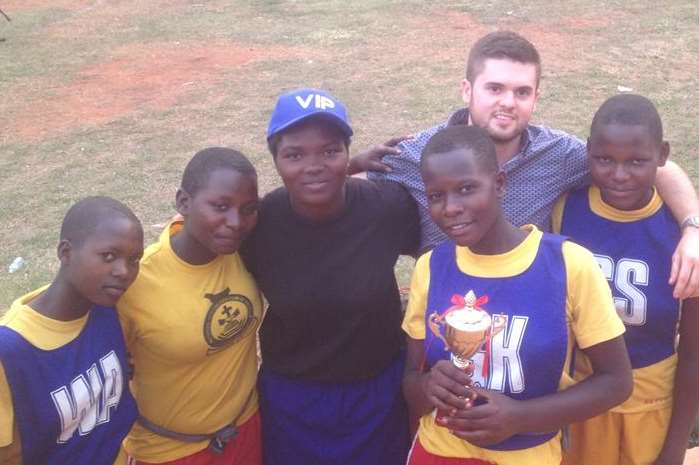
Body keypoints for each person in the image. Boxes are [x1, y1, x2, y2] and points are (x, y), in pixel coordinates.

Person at [350, 30, 699, 299]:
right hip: (446, 311)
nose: (508, 103)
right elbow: (331, 188)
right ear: (467, 90)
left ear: (536, 97)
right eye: (495, 89)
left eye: (521, 92)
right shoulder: (419, 153)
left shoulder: (558, 154)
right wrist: (352, 163)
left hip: (529, 317)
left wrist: (693, 230)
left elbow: (659, 168)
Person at [402, 125, 633, 465]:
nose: (450, 208)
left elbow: (616, 382)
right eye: (436, 195)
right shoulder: (431, 267)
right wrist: (427, 388)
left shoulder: (567, 264)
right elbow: (410, 381)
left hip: (527, 454)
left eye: (466, 189)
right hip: (439, 451)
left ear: (499, 184)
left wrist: (521, 418)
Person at [240, 88, 420, 465]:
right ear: (275, 160)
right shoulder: (258, 224)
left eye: (330, 151)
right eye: (294, 155)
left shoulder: (385, 207)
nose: (313, 165)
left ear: (346, 154)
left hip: (377, 394)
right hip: (293, 399)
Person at [552, 94, 699, 465]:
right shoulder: (566, 211)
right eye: (604, 160)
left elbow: (694, 352)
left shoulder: (681, 233)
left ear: (662, 155)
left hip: (651, 407)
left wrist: (676, 446)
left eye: (636, 161)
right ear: (588, 153)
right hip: (581, 400)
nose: (619, 175)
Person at [117, 148, 264, 465]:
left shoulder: (246, 249)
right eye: (220, 207)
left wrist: (349, 167)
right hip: (168, 451)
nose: (236, 222)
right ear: (183, 202)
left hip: (246, 429)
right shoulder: (137, 281)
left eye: (248, 209)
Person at [0, 196, 143, 465]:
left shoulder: (108, 309)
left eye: (134, 259)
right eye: (108, 256)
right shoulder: (11, 351)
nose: (124, 271)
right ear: (65, 252)